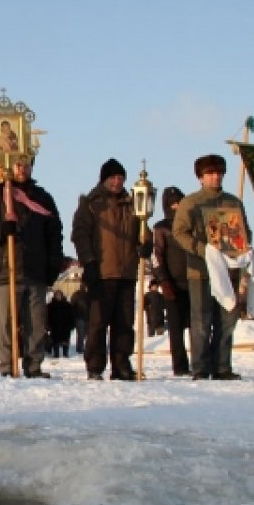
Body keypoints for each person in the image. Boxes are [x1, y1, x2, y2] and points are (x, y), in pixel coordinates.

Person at [0, 153, 63, 378]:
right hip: (7, 268)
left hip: (36, 269)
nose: (22, 169)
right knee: (5, 322)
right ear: (9, 165)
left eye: (26, 164)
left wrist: (53, 265)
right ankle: (6, 364)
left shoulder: (43, 198)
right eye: (18, 164)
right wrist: (1, 230)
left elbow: (54, 234)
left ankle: (33, 365)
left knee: (36, 322)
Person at [173, 154, 253, 381]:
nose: (215, 177)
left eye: (218, 173)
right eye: (210, 173)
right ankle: (199, 367)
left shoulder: (233, 202)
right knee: (201, 321)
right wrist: (202, 249)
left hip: (229, 270)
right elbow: (179, 232)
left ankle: (222, 366)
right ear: (200, 177)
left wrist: (244, 248)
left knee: (226, 320)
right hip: (201, 271)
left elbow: (244, 231)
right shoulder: (191, 203)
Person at [71, 158, 152, 380]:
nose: (117, 182)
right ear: (104, 179)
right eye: (113, 177)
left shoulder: (133, 203)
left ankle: (121, 365)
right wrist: (88, 261)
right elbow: (80, 234)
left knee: (125, 323)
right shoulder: (91, 203)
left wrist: (146, 244)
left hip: (126, 272)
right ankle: (95, 366)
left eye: (120, 178)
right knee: (98, 323)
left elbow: (144, 231)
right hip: (102, 272)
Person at [152, 186, 191, 376]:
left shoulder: (190, 225)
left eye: (179, 203)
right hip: (172, 284)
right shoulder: (161, 228)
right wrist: (163, 280)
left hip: (193, 281)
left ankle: (200, 362)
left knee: (196, 326)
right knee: (176, 328)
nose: (176, 207)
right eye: (173, 204)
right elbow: (156, 255)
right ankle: (180, 365)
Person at [47, 290, 75, 357]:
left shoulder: (67, 305)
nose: (58, 296)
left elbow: (72, 315)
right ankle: (56, 354)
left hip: (65, 326)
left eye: (59, 295)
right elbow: (48, 316)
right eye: (57, 295)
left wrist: (72, 325)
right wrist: (48, 325)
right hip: (55, 326)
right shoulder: (51, 305)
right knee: (55, 341)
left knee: (65, 341)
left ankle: (65, 354)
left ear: (62, 296)